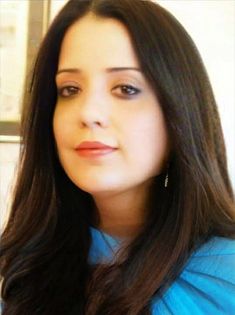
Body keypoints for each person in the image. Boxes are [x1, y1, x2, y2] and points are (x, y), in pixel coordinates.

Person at [0, 0, 235, 314]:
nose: (89, 113)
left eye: (125, 88)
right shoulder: (21, 268)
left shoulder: (224, 278)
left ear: (179, 113)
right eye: (70, 89)